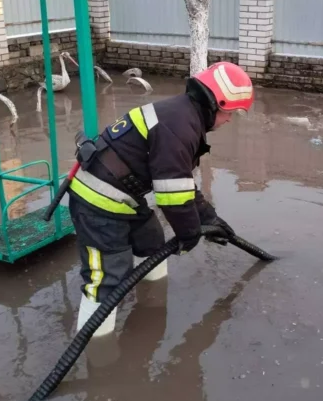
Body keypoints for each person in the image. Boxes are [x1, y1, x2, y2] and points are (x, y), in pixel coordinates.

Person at [68, 61, 255, 336]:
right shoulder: (180, 126)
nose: (229, 120)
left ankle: (151, 314)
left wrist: (209, 218)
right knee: (105, 280)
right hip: (96, 204)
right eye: (230, 113)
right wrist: (190, 234)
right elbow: (172, 198)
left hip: (125, 198)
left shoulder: (182, 116)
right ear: (216, 103)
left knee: (153, 244)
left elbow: (180, 183)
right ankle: (98, 351)